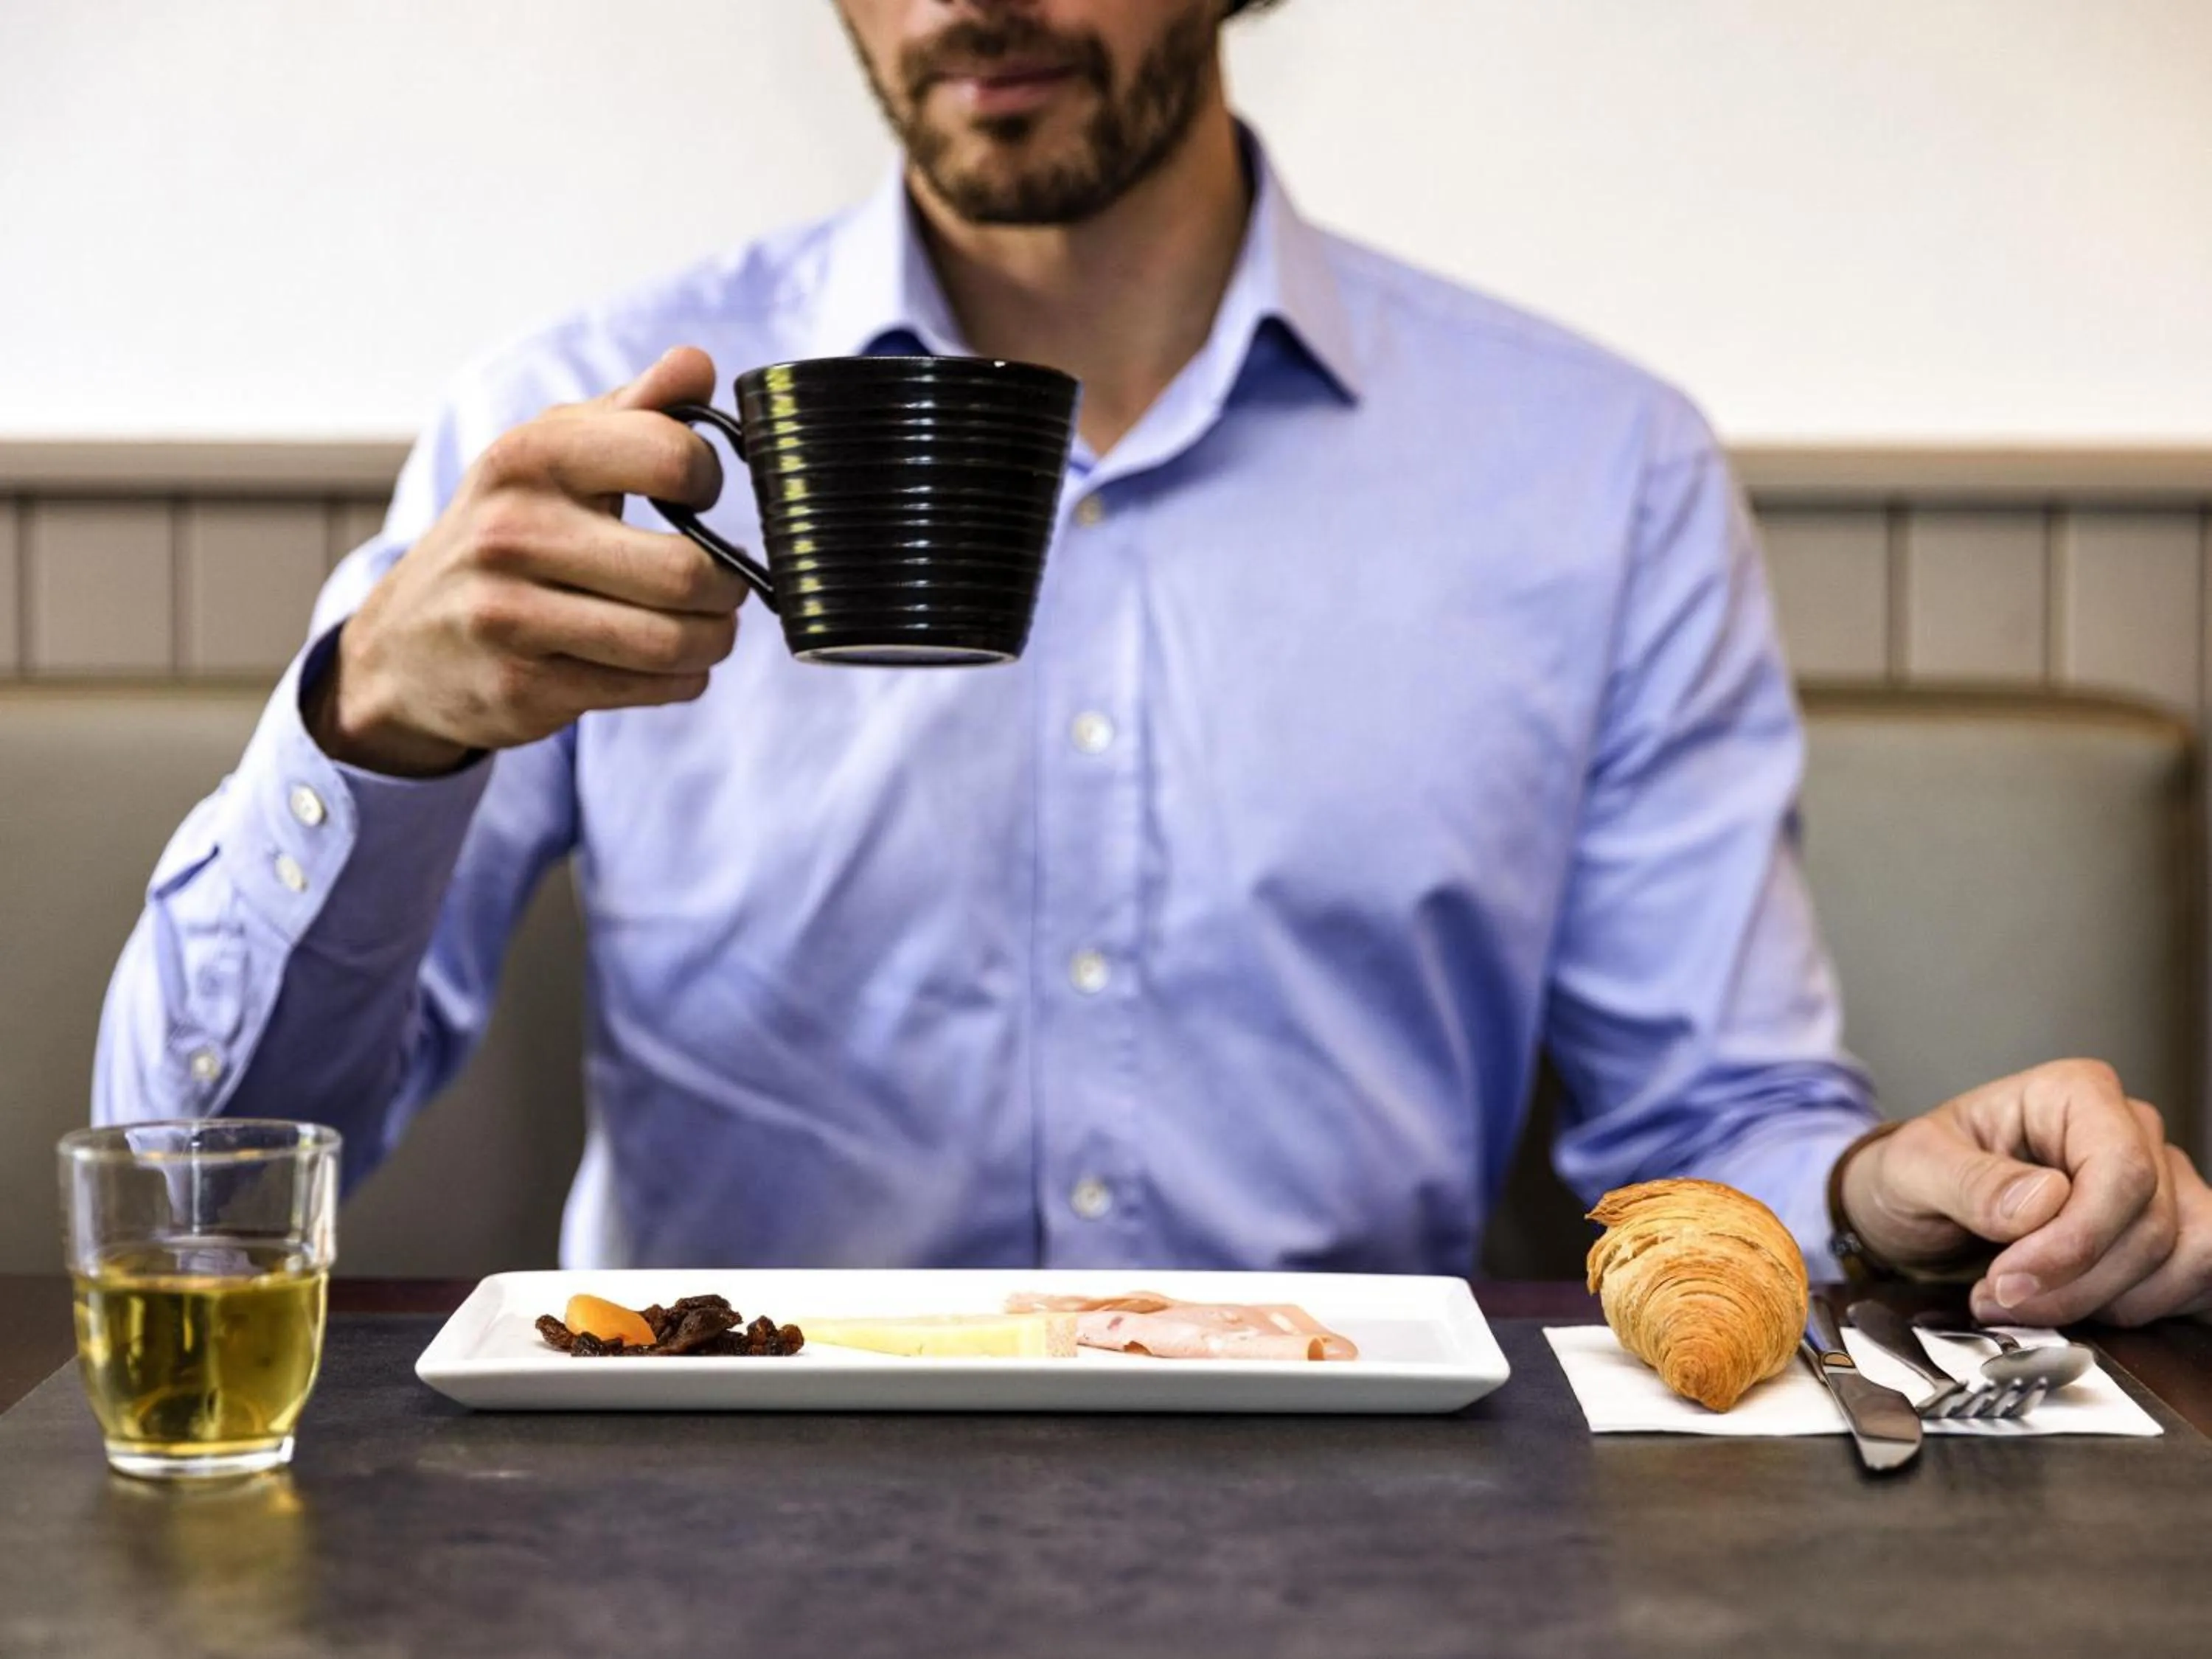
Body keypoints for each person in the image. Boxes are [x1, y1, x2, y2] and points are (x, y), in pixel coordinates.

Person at [94, 0, 2209, 1326]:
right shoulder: (576, 428)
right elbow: (187, 1186)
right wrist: (367, 732)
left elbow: (1703, 1114)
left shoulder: (1593, 474)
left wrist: (1878, 1201)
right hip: (706, 1505)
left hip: (1369, 1520)